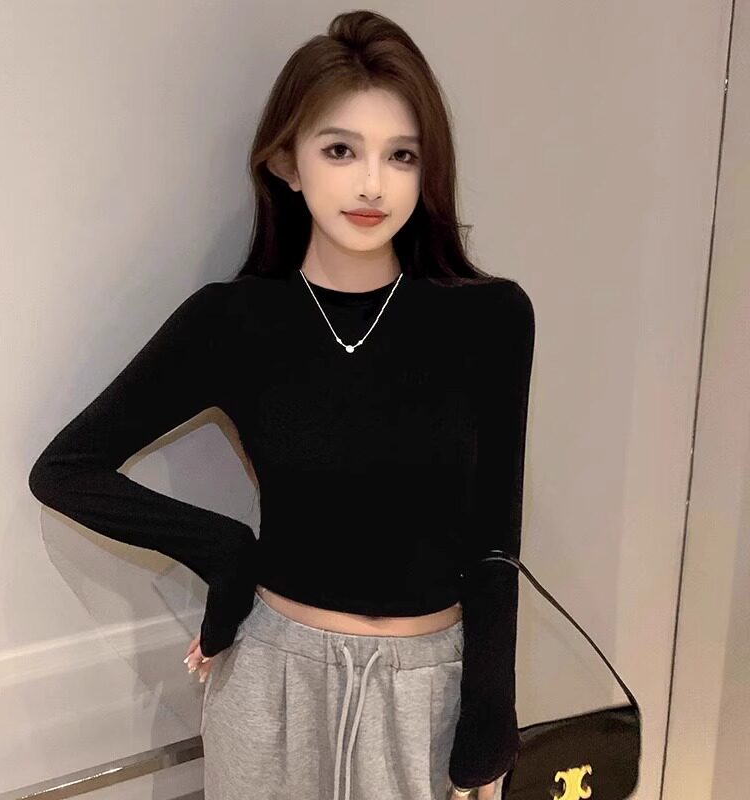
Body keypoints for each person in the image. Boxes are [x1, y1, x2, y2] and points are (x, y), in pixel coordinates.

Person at [28, 10, 535, 800]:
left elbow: (494, 538)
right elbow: (65, 469)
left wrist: (491, 707)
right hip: (271, 681)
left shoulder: (488, 318)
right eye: (341, 150)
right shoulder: (235, 322)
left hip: (428, 696)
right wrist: (225, 550)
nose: (372, 184)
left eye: (401, 155)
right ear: (286, 163)